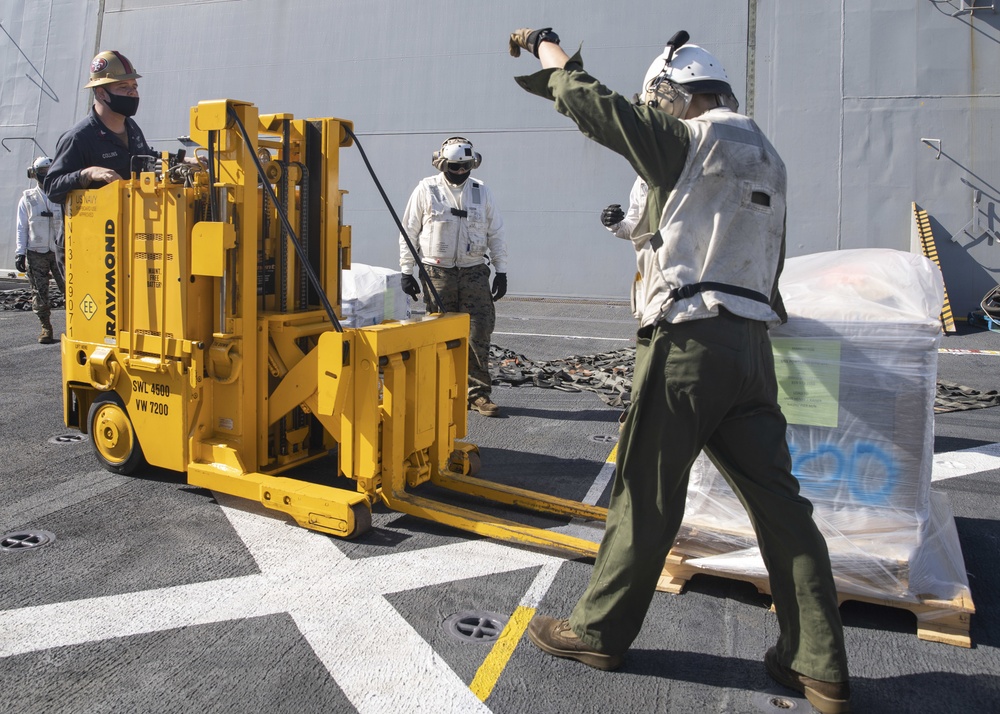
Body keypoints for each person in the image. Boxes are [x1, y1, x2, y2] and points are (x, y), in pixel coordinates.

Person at [509, 28, 851, 713]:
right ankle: (820, 663)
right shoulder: (768, 154)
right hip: (752, 351)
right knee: (783, 510)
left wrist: (548, 48)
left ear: (673, 95)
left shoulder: (691, 139)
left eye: (659, 103)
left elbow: (592, 103)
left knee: (645, 492)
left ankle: (597, 631)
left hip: (688, 345)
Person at [398, 136, 508, 417]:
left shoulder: (481, 192)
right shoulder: (427, 189)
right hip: (437, 272)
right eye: (455, 167)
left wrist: (501, 270)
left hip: (473, 270)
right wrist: (406, 271)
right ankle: (439, 393)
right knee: (439, 333)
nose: (460, 173)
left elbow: (495, 232)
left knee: (478, 332)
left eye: (466, 167)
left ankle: (478, 395)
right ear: (443, 164)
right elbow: (409, 231)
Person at [43, 50, 153, 204]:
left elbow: (145, 157)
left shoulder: (132, 128)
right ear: (101, 93)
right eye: (123, 86)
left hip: (133, 224)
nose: (132, 92)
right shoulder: (79, 138)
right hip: (95, 226)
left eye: (134, 86)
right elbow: (52, 188)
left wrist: (183, 161)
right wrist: (87, 173)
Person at [15, 156, 66, 344]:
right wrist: (20, 252)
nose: (45, 176)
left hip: (59, 251)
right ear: (34, 174)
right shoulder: (27, 199)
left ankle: (75, 325)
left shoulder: (61, 196)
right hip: (36, 252)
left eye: (48, 171)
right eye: (41, 172)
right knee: (39, 292)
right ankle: (46, 328)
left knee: (70, 290)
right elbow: (22, 227)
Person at [601, 177, 648, 320]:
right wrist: (615, 224)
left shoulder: (701, 168)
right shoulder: (642, 181)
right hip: (651, 270)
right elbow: (635, 225)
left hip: (694, 274)